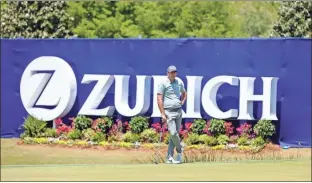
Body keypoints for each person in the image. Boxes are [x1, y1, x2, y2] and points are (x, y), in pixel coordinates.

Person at [157, 65, 187, 164]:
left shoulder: (179, 82)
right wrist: (162, 114)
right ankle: (180, 149)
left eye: (175, 72)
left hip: (178, 111)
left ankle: (169, 158)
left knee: (174, 136)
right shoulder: (163, 83)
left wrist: (182, 102)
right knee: (173, 133)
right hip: (168, 111)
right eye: (171, 72)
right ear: (167, 73)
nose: (173, 74)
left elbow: (184, 93)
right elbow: (159, 99)